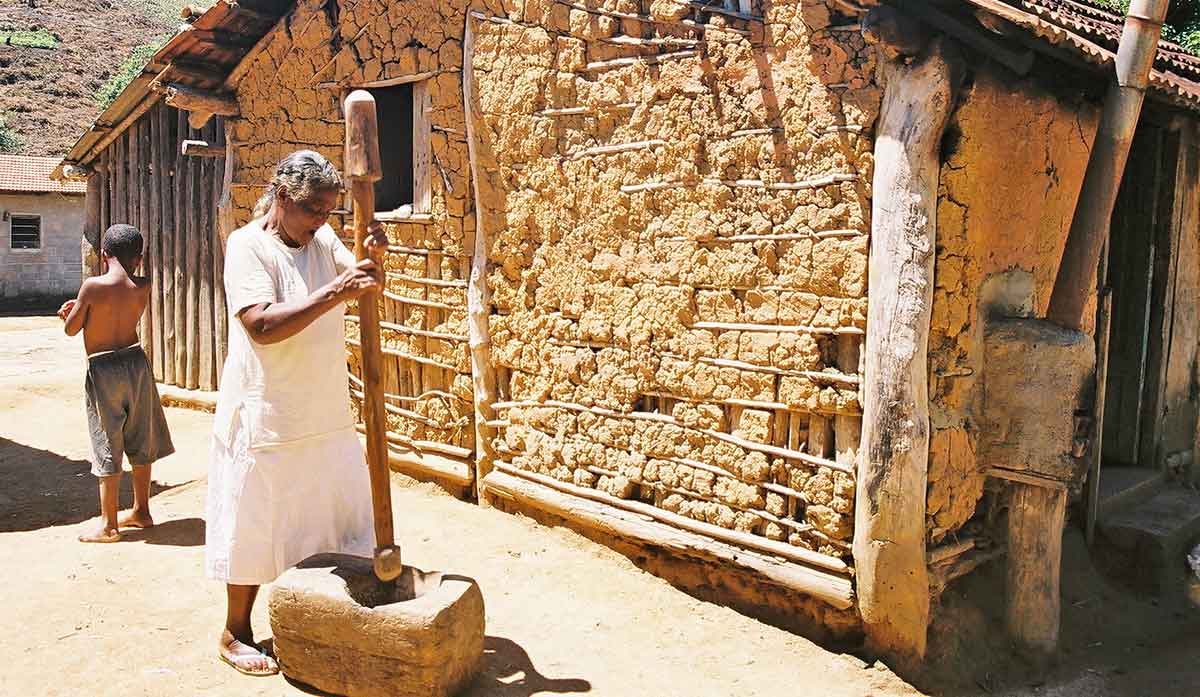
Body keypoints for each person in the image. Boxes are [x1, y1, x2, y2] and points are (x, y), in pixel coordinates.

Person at [205, 150, 387, 676]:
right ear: (283, 196)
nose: (321, 221)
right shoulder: (248, 246)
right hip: (267, 414)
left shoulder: (321, 239)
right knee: (256, 522)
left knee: (333, 518)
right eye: (312, 209)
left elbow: (365, 282)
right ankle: (235, 632)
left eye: (328, 211)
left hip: (322, 411)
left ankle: (322, 619)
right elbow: (261, 326)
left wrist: (375, 259)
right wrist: (336, 291)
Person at [59, 223, 175, 544]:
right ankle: (142, 510)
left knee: (107, 439)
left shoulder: (92, 287)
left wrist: (70, 311)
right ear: (139, 258)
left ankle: (109, 525)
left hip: (103, 368)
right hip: (136, 362)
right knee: (140, 435)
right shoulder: (144, 285)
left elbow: (72, 329)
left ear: (103, 254)